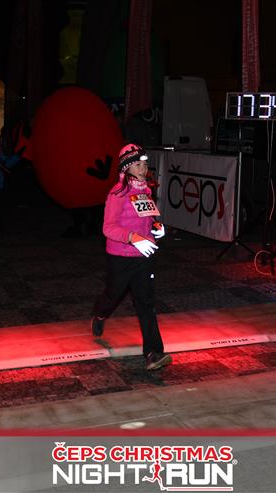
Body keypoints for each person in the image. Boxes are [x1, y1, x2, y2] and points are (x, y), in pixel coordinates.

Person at [91, 143, 171, 371]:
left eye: (144, 164)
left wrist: (157, 228)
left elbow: (149, 218)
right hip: (121, 256)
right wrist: (133, 237)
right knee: (113, 294)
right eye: (137, 165)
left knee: (146, 302)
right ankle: (100, 314)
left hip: (144, 256)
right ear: (126, 168)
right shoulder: (117, 194)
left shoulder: (146, 190)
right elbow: (108, 228)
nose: (143, 169)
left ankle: (153, 352)